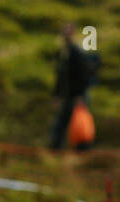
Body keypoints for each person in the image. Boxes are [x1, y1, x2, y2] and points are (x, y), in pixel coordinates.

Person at [48, 22, 93, 150]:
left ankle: (82, 153)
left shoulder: (77, 53)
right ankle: (55, 150)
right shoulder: (63, 54)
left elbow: (84, 75)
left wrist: (80, 96)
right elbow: (60, 77)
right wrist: (56, 96)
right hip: (68, 96)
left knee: (80, 125)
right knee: (61, 124)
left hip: (78, 96)